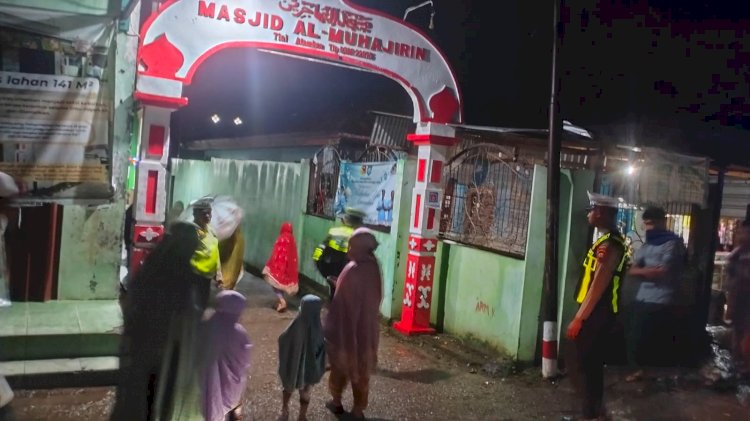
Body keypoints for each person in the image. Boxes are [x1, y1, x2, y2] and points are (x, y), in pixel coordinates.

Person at [112, 222, 202, 421]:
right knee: (156, 401)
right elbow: (181, 316)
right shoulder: (182, 276)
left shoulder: (151, 268)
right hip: (163, 352)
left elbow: (132, 303)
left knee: (138, 400)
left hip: (144, 348)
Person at [565, 192, 629, 421]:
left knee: (584, 366)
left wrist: (580, 318)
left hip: (597, 314)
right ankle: (594, 413)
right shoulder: (604, 241)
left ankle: (592, 414)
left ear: (600, 212)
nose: (589, 214)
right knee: (588, 366)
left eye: (591, 210)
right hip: (595, 313)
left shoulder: (610, 245)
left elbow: (598, 285)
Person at [324, 228, 383, 419]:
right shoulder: (373, 267)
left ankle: (336, 401)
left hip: (346, 328)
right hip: (367, 329)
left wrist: (338, 285)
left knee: (340, 366)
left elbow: (344, 300)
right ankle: (358, 409)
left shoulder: (353, 269)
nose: (349, 249)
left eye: (352, 246)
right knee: (362, 369)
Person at [624, 206, 686, 382]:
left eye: (652, 223)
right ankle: (640, 370)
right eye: (647, 224)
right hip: (643, 296)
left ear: (662, 222)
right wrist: (648, 271)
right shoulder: (647, 245)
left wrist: (643, 271)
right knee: (633, 335)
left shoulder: (673, 243)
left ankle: (649, 373)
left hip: (663, 298)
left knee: (649, 338)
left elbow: (662, 272)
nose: (649, 227)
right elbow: (632, 270)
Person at [201, 290, 252, 421]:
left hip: (203, 387)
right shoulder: (239, 333)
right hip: (229, 389)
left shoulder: (204, 327)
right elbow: (244, 362)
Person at [277, 294, 326, 421]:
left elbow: (282, 339)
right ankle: (302, 416)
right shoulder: (318, 326)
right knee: (306, 392)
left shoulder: (296, 325)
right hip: (309, 369)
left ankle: (285, 410)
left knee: (288, 387)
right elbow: (322, 347)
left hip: (292, 366)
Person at [312, 207, 365, 296]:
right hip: (346, 271)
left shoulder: (334, 231)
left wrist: (318, 263)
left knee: (334, 293)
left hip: (331, 269)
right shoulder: (359, 236)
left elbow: (320, 249)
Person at [725, 220, 750, 376]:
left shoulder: (740, 255)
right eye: (740, 232)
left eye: (745, 233)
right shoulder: (737, 254)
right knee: (738, 331)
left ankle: (744, 365)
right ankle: (738, 363)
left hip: (745, 299)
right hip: (739, 299)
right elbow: (732, 280)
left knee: (745, 334)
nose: (741, 236)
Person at [190, 197, 222, 310]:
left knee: (202, 304)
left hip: (207, 276)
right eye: (204, 213)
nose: (208, 216)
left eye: (209, 213)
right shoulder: (191, 231)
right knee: (194, 305)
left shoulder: (211, 230)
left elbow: (215, 251)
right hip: (195, 275)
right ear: (195, 215)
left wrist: (218, 274)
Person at [262, 222, 299, 312]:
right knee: (281, 285)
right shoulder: (292, 239)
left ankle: (282, 301)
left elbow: (276, 253)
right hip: (289, 269)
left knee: (275, 283)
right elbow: (294, 256)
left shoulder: (281, 238)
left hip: (279, 267)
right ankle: (280, 302)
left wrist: (270, 264)